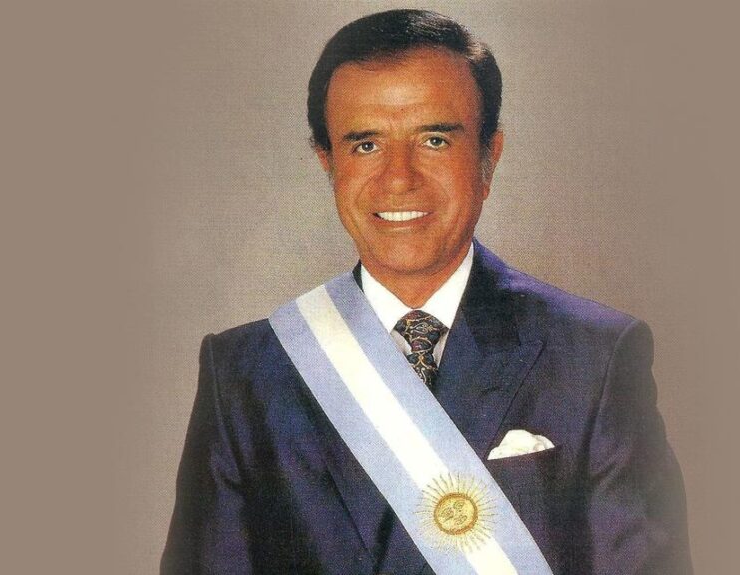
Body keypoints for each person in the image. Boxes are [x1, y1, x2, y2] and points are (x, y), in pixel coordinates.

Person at [162, 9, 691, 574]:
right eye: (366, 145)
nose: (399, 178)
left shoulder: (594, 357)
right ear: (328, 163)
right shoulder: (245, 375)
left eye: (434, 140)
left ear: (488, 159)